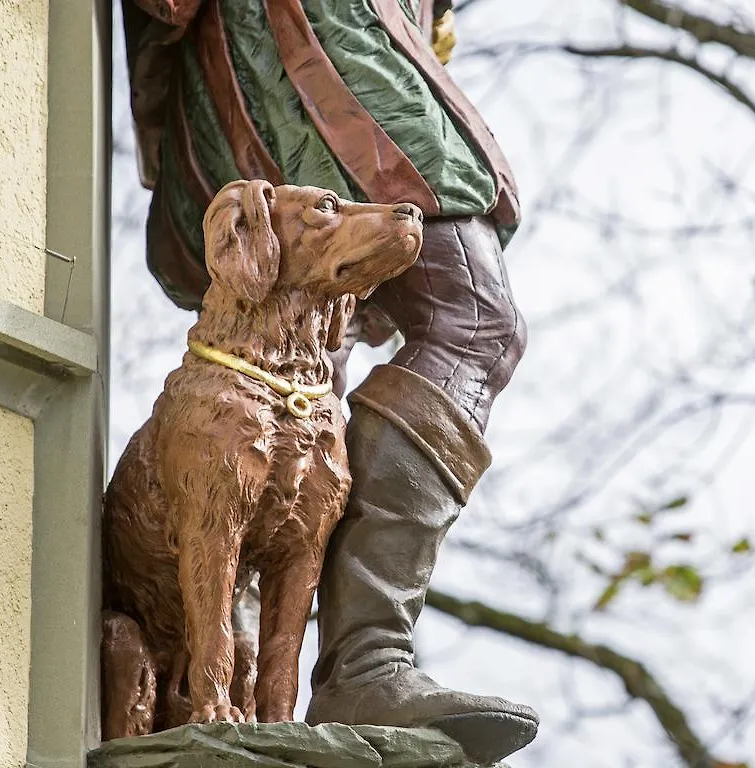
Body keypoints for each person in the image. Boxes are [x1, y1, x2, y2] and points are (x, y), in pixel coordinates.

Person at [121, 0, 534, 762]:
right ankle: (363, 661)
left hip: (327, 42)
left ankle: (249, 692)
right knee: (473, 323)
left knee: (311, 361)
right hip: (297, 42)